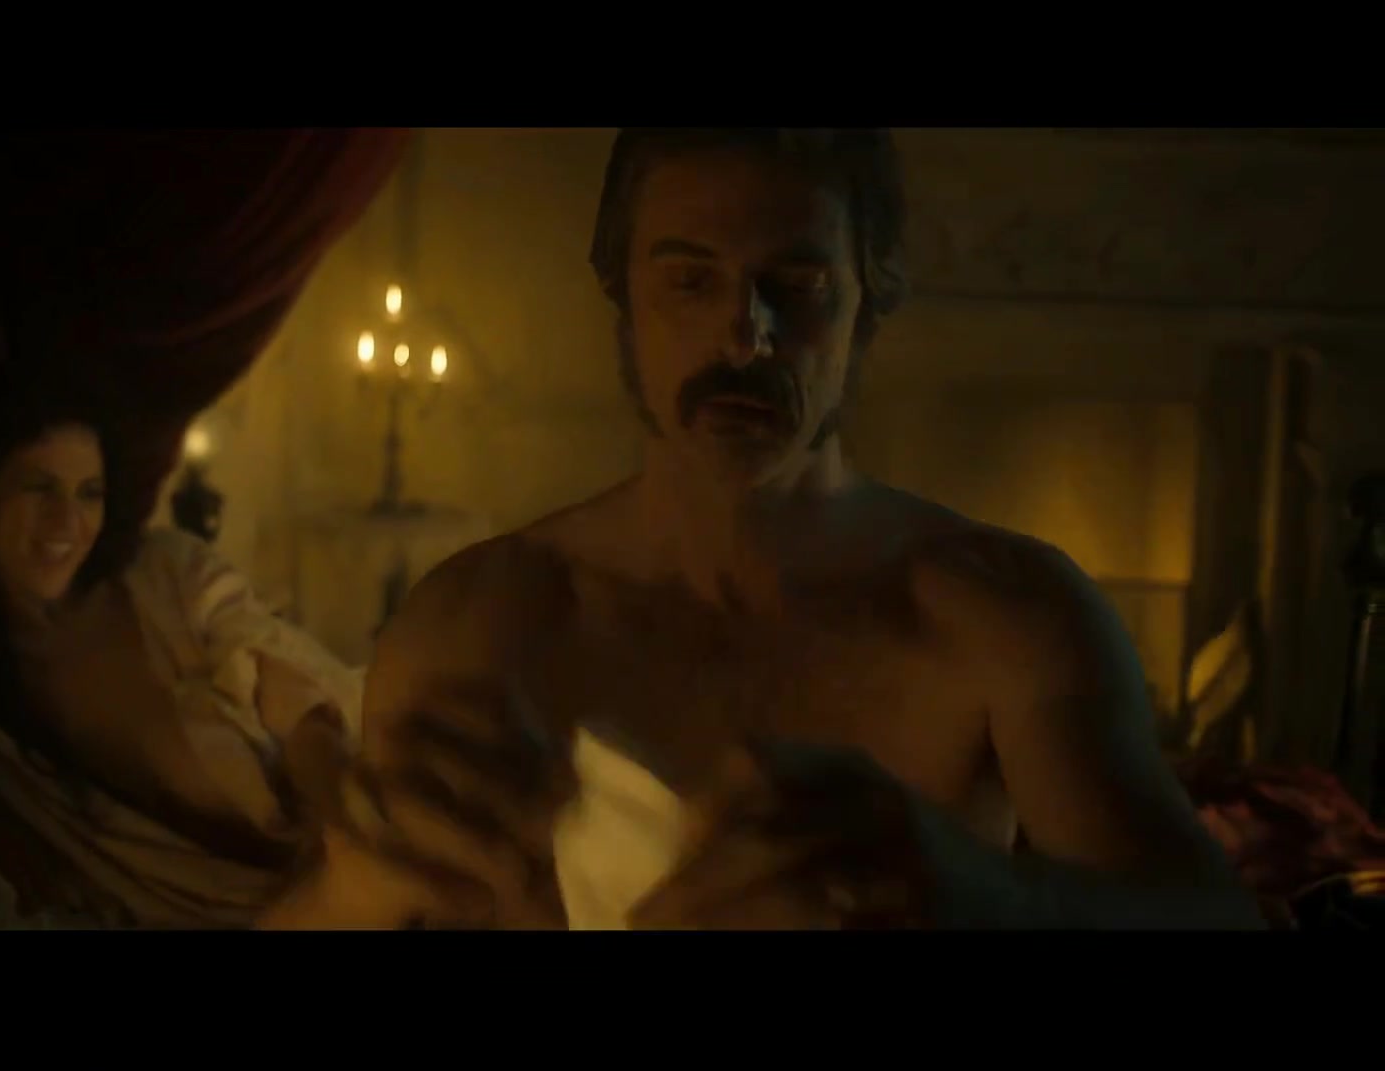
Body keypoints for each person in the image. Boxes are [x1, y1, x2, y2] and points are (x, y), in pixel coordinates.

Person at [276, 129, 1264, 930]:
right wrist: (354, 894)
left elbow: (1212, 920)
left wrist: (975, 894)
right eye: (689, 281)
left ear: (868, 304)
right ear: (625, 302)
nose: (743, 338)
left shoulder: (1003, 614)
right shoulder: (477, 621)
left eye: (798, 288)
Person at [0, 357, 360, 928]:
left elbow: (289, 690)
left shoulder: (167, 572)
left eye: (89, 493)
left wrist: (349, 820)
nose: (68, 522)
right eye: (40, 488)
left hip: (331, 846)